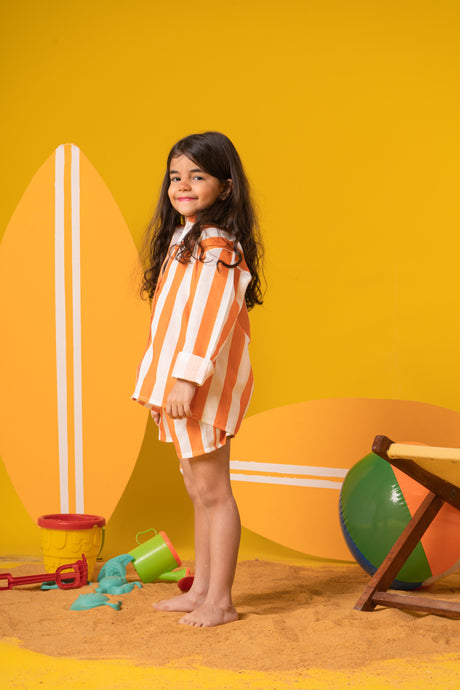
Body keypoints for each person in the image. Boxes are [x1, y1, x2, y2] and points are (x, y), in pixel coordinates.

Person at [132, 131, 263, 627]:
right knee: (196, 488)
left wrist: (186, 379)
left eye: (197, 176)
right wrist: (159, 381)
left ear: (225, 187)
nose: (182, 186)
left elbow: (211, 316)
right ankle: (203, 589)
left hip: (199, 385)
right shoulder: (184, 239)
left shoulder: (216, 245)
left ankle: (221, 602)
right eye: (175, 177)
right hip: (177, 384)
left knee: (214, 492)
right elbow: (171, 321)